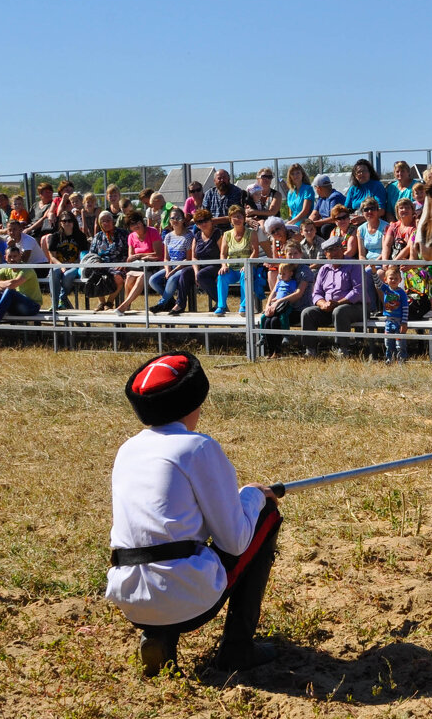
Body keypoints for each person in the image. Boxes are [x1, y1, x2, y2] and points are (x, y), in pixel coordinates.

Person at [106, 352, 282, 676]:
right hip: (186, 597)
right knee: (266, 515)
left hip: (128, 596)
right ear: (194, 401)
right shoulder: (198, 447)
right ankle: (237, 649)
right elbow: (235, 541)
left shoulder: (127, 449)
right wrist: (253, 496)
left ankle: (158, 634)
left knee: (171, 546)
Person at [299, 239, 364, 357]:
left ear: (342, 249)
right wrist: (323, 303)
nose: (334, 252)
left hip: (355, 307)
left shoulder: (354, 265)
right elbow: (316, 293)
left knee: (340, 311)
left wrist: (337, 303)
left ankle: (342, 349)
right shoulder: (324, 269)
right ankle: (310, 350)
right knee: (307, 313)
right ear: (325, 254)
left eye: (337, 248)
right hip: (329, 307)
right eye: (330, 250)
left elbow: (357, 291)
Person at [214, 205, 262, 317]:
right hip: (232, 268)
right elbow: (223, 253)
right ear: (230, 219)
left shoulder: (251, 233)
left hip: (246, 268)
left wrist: (248, 264)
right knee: (221, 276)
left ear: (244, 218)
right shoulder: (227, 234)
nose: (237, 219)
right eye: (234, 217)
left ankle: (244, 305)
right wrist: (224, 265)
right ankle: (221, 306)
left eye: (240, 216)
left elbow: (255, 251)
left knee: (245, 274)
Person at [114, 211, 165, 315]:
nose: (135, 226)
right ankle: (127, 306)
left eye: (137, 222)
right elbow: (130, 257)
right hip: (138, 267)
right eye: (132, 224)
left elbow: (158, 255)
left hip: (154, 266)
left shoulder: (153, 231)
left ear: (142, 222)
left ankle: (123, 306)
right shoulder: (131, 237)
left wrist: (141, 256)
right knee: (129, 276)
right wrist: (137, 257)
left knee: (142, 276)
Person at [147, 208, 193, 314]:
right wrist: (168, 270)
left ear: (183, 220)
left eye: (178, 218)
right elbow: (166, 258)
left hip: (184, 267)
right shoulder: (168, 236)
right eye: (172, 218)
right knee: (152, 280)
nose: (175, 220)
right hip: (171, 266)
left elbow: (188, 259)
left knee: (172, 279)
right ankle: (170, 301)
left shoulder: (188, 236)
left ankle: (161, 303)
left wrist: (172, 271)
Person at [178, 209, 222, 310]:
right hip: (201, 266)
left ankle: (221, 303)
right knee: (185, 272)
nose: (203, 223)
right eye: (199, 222)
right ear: (197, 224)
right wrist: (196, 271)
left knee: (202, 275)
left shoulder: (217, 234)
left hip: (216, 265)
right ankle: (180, 304)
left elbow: (223, 253)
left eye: (205, 220)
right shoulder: (197, 236)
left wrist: (199, 274)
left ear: (211, 221)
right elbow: (194, 257)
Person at [259, 261, 305, 359]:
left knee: (278, 319)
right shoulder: (280, 282)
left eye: (283, 273)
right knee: (266, 319)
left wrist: (279, 300)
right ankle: (268, 347)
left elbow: (292, 293)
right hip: (275, 305)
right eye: (280, 273)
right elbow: (274, 293)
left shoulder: (292, 282)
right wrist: (269, 304)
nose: (281, 275)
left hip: (284, 305)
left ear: (291, 274)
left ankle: (284, 339)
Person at [45, 210, 89, 310]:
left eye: (69, 221)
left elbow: (83, 255)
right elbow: (52, 256)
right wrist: (61, 265)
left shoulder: (80, 236)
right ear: (60, 223)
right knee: (54, 272)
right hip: (59, 264)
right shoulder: (55, 236)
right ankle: (55, 304)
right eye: (64, 221)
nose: (67, 223)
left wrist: (74, 264)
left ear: (74, 222)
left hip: (76, 265)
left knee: (67, 275)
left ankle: (62, 298)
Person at [85, 211, 129, 311]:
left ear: (113, 221)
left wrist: (125, 263)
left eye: (108, 220)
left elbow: (130, 251)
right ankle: (102, 302)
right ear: (100, 223)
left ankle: (110, 302)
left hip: (119, 264)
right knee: (95, 273)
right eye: (103, 221)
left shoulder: (123, 234)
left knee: (118, 277)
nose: (106, 223)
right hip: (102, 264)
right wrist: (96, 262)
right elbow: (92, 253)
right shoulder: (98, 236)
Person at [378, 264, 409, 363]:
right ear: (386, 280)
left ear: (400, 280)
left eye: (396, 278)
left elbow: (405, 308)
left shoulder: (401, 293)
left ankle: (401, 358)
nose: (394, 280)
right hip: (388, 321)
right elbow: (377, 282)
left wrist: (404, 323)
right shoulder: (386, 289)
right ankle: (389, 358)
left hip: (399, 321)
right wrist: (374, 270)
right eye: (391, 278)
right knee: (388, 341)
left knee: (399, 341)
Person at [282, 164, 314, 229]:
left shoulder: (308, 189)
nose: (295, 176)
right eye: (292, 174)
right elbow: (291, 213)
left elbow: (305, 211)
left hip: (305, 224)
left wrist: (291, 222)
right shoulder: (290, 192)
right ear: (290, 177)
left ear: (302, 174)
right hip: (293, 223)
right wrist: (289, 222)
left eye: (297, 173)